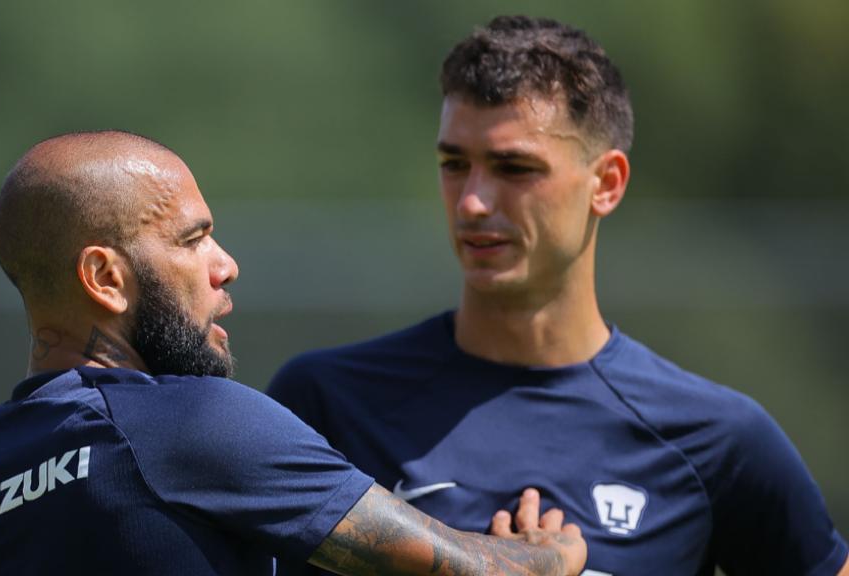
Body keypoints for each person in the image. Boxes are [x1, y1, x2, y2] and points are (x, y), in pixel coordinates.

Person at [268, 15, 848, 576]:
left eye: (514, 168)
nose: (472, 201)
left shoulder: (717, 439)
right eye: (454, 164)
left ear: (608, 184)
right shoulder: (326, 404)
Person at [0, 130, 588, 576]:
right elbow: (464, 570)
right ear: (105, 278)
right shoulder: (186, 424)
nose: (225, 265)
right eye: (192, 240)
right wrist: (545, 555)